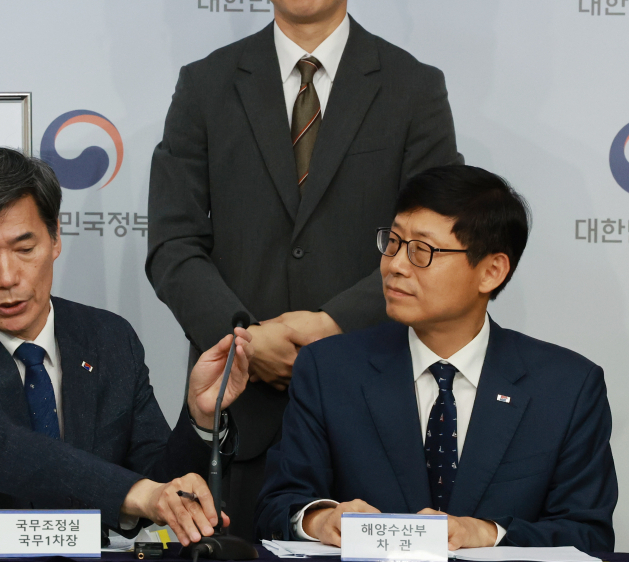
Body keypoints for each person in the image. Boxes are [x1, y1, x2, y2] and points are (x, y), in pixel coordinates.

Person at [146, 0, 461, 538]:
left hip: (377, 400)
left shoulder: (413, 88)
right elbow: (173, 244)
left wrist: (330, 327)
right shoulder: (205, 86)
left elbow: (434, 244)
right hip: (243, 411)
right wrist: (247, 342)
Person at [0, 148, 251, 544]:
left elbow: (160, 484)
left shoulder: (108, 339)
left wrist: (200, 419)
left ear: (56, 238)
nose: (7, 277)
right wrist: (140, 494)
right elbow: (5, 453)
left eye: (25, 249)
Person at [255, 165, 616, 553]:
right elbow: (278, 505)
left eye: (422, 251)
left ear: (491, 271)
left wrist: (487, 534)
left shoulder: (567, 388)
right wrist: (319, 520)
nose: (395, 265)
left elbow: (587, 535)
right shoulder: (329, 369)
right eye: (392, 243)